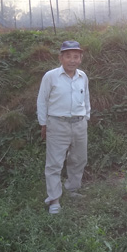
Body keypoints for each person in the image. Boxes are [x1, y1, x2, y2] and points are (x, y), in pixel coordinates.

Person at [37, 40, 91, 214]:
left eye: (76, 56)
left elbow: (86, 99)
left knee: (79, 159)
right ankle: (54, 200)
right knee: (54, 163)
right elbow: (42, 101)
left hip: (79, 124)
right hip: (57, 124)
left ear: (80, 59)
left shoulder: (82, 76)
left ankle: (72, 189)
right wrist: (43, 124)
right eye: (68, 56)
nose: (72, 60)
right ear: (61, 58)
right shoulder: (50, 76)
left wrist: (86, 117)